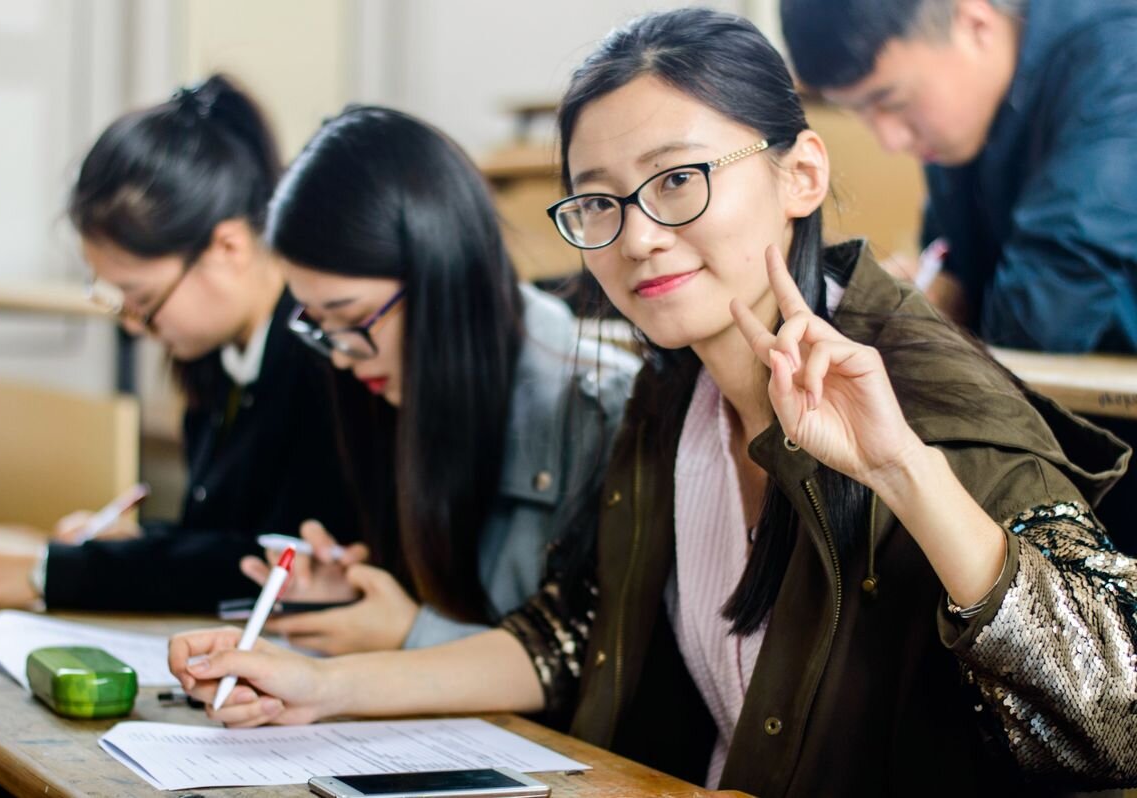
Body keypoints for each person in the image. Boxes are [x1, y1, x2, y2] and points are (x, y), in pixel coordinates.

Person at [168, 11, 1137, 795]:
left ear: (800, 176)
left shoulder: (927, 396)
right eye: (597, 202)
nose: (636, 239)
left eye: (677, 182)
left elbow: (1113, 718)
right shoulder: (672, 389)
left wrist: (904, 473)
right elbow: (577, 631)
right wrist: (322, 688)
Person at [0, 75, 359, 613]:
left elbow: (277, 559)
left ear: (227, 247)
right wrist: (137, 546)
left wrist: (53, 573)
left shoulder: (328, 356)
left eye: (142, 298)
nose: (135, 325)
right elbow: (222, 535)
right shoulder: (218, 359)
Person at [227, 105, 638, 655]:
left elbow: (593, 678)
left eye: (352, 320)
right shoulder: (393, 391)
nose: (343, 358)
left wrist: (409, 636)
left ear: (442, 279)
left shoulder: (602, 412)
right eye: (320, 326)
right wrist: (351, 599)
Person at [779, 0, 1137, 554]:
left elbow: (1042, 314)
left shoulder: (1119, 61)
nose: (889, 140)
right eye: (862, 113)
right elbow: (947, 274)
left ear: (974, 24)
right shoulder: (960, 119)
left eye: (889, 102)